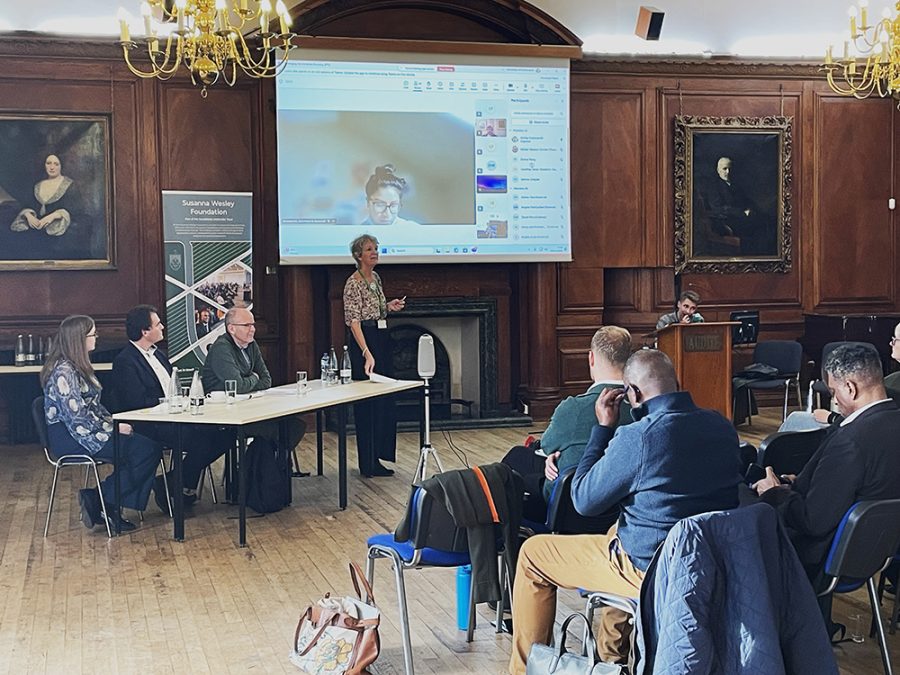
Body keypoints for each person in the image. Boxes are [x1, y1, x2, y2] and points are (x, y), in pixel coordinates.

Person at [508, 349, 742, 673]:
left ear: (631, 393)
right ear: (677, 382)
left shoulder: (640, 437)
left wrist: (603, 428)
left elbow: (584, 500)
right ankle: (609, 660)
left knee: (533, 554)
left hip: (648, 568)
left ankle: (522, 671)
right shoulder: (721, 426)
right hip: (709, 561)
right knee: (619, 533)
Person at [753, 342, 900, 639]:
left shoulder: (853, 440)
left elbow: (813, 520)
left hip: (825, 559)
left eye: (833, 393)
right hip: (876, 551)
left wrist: (775, 491)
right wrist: (799, 484)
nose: (834, 401)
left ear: (850, 387)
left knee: (739, 528)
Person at [41, 315, 163, 533]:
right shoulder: (64, 373)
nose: (96, 338)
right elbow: (77, 420)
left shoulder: (77, 367)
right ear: (78, 339)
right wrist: (114, 429)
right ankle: (105, 503)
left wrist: (115, 423)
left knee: (146, 448)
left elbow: (94, 410)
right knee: (144, 451)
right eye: (92, 334)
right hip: (72, 438)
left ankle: (100, 500)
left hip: (88, 431)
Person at [500, 326, 632, 522]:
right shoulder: (642, 407)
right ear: (629, 360)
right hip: (624, 503)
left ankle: (507, 537)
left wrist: (549, 455)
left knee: (515, 461)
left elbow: (546, 446)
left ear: (591, 358)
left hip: (571, 505)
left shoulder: (574, 408)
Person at [110, 305, 233, 509]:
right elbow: (136, 401)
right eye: (158, 324)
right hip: (150, 424)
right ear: (145, 331)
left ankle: (172, 481)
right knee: (202, 440)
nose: (163, 327)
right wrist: (170, 403)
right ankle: (179, 485)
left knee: (224, 434)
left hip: (176, 415)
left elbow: (172, 387)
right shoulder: (125, 361)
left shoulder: (158, 355)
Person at [343, 233, 406, 477]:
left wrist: (389, 306)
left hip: (381, 338)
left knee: (384, 401)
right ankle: (366, 462)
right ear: (359, 255)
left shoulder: (376, 278)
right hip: (364, 344)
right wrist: (366, 352)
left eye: (376, 248)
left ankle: (378, 457)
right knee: (367, 404)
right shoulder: (353, 282)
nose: (375, 252)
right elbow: (354, 321)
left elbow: (375, 311)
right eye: (369, 249)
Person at [202, 307, 306, 453]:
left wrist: (249, 381)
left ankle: (263, 468)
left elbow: (266, 380)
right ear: (231, 328)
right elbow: (236, 386)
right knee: (280, 431)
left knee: (293, 425)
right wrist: (253, 377)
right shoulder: (222, 348)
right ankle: (261, 470)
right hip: (225, 415)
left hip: (247, 407)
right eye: (247, 325)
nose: (252, 329)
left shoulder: (251, 344)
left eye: (253, 325)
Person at [11, 154, 77, 236]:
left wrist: (54, 216)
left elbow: (76, 211)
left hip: (58, 234)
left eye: (56, 164)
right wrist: (28, 215)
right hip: (35, 231)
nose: (52, 167)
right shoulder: (37, 185)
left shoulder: (70, 185)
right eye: (48, 163)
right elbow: (28, 205)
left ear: (61, 166)